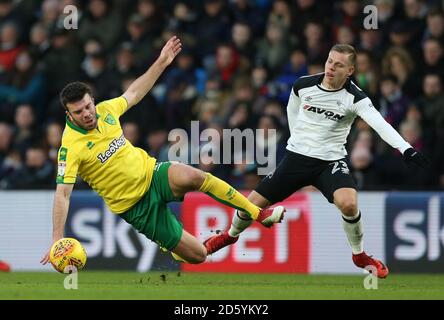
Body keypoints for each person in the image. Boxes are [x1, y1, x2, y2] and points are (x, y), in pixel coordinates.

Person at [40, 36, 285, 266]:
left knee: (196, 176)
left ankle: (257, 213)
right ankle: (213, 241)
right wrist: (57, 239)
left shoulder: (106, 111)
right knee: (198, 256)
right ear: (68, 114)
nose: (87, 114)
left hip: (153, 174)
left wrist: (162, 61)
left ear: (92, 100)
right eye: (79, 111)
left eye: (88, 106)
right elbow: (63, 194)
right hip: (136, 208)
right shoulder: (70, 147)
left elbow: (134, 92)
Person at [203, 44, 429, 278]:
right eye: (330, 61)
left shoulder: (356, 98)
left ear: (350, 70)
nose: (331, 67)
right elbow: (293, 111)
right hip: (296, 159)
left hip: (329, 162)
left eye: (339, 64)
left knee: (349, 204)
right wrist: (298, 140)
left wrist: (406, 149)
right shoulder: (303, 84)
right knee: (251, 204)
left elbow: (380, 124)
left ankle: (359, 255)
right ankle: (229, 236)